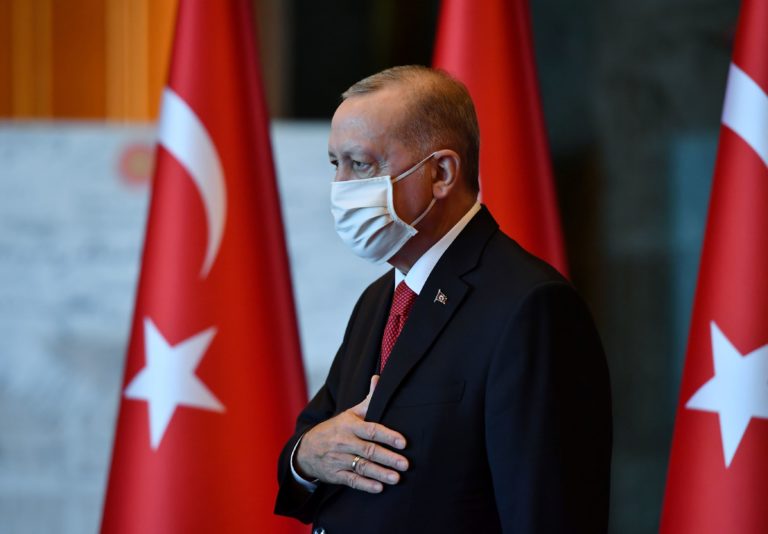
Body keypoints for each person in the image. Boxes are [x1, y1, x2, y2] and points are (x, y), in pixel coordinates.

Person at [274, 65, 612, 534]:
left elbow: (546, 513)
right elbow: (315, 441)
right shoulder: (380, 298)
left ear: (442, 173)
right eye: (336, 164)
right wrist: (306, 456)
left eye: (361, 164)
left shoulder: (531, 307)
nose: (341, 187)